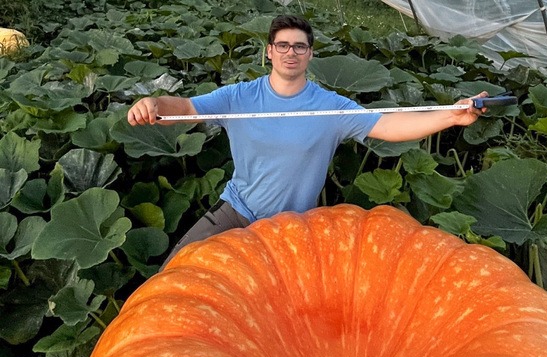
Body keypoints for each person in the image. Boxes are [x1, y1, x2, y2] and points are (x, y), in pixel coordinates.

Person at [127, 14, 487, 266]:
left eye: (299, 47)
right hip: (237, 212)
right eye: (282, 46)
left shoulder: (329, 107)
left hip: (295, 228)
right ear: (269, 51)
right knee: (175, 272)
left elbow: (388, 127)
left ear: (310, 55)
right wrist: (154, 103)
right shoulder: (239, 97)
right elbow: (188, 108)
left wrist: (452, 116)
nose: (290, 53)